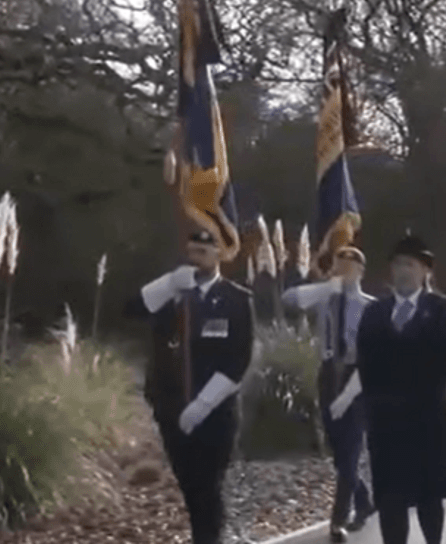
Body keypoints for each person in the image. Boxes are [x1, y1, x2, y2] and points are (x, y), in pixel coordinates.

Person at [124, 229, 255, 544]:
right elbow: (131, 310)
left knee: (209, 485)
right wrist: (168, 284)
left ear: (218, 254)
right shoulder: (172, 295)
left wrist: (204, 404)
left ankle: (207, 539)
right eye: (192, 251)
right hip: (171, 408)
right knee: (190, 486)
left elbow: (239, 358)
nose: (197, 258)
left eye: (204, 252)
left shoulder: (236, 300)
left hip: (216, 411)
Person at [357, 234, 446, 544]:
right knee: (391, 502)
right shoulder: (375, 312)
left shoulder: (439, 309)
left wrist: (408, 379)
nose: (403, 271)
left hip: (427, 421)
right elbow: (366, 363)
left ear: (425, 271)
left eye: (410, 265)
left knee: (429, 499)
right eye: (398, 264)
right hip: (387, 425)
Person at [281, 246, 377, 542]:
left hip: (358, 379)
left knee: (350, 452)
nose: (342, 271)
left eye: (349, 267)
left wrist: (349, 394)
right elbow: (289, 300)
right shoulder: (325, 298)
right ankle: (363, 500)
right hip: (328, 375)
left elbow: (373, 357)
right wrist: (327, 287)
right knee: (338, 453)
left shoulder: (370, 307)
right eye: (338, 265)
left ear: (361, 271)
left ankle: (338, 521)